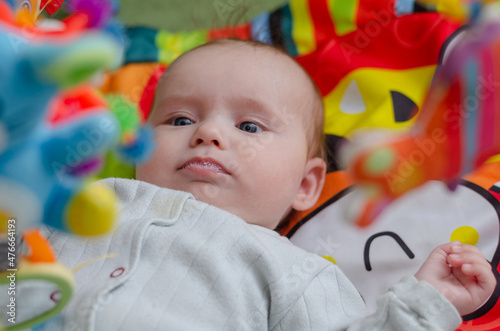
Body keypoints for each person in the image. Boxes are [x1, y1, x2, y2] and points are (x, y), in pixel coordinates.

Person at [10, 39, 496, 330]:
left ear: (306, 185)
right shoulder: (89, 204)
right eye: (179, 118)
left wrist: (426, 304)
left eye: (249, 127)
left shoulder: (294, 271)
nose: (208, 133)